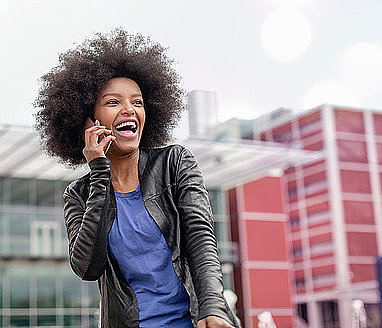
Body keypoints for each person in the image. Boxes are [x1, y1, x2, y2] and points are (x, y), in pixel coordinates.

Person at [34, 28, 240, 328]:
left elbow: (200, 236)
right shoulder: (78, 194)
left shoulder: (174, 163)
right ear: (89, 122)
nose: (129, 109)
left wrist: (213, 306)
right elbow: (87, 266)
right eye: (113, 102)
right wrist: (100, 172)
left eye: (138, 102)